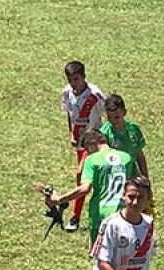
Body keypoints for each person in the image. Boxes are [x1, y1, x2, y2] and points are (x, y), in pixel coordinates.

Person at [46, 129, 136, 270]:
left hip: (101, 215)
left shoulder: (93, 160)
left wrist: (59, 199)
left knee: (100, 261)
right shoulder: (126, 158)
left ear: (92, 145)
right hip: (123, 214)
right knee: (117, 260)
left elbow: (85, 188)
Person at [60, 60, 106, 232]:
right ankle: (78, 215)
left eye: (77, 79)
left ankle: (74, 216)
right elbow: (70, 115)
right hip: (80, 144)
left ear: (84, 77)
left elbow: (107, 113)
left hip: (94, 144)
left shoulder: (94, 95)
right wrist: (71, 134)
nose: (74, 83)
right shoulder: (67, 93)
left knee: (81, 176)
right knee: (87, 180)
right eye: (71, 79)